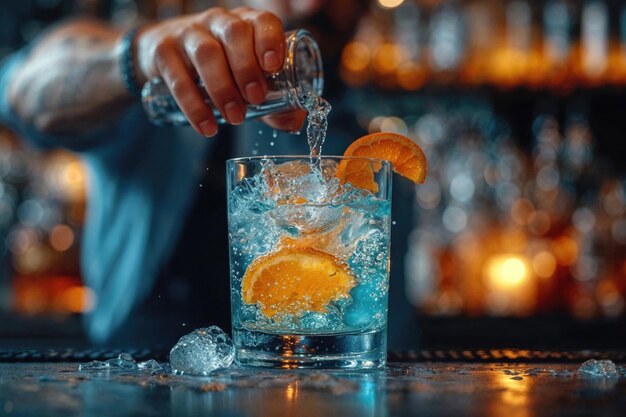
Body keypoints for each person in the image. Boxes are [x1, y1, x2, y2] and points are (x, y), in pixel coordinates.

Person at [0, 0, 419, 349]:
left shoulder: (374, 160)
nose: (311, 4)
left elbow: (387, 332)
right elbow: (24, 92)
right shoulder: (162, 103)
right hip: (137, 383)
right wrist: (139, 55)